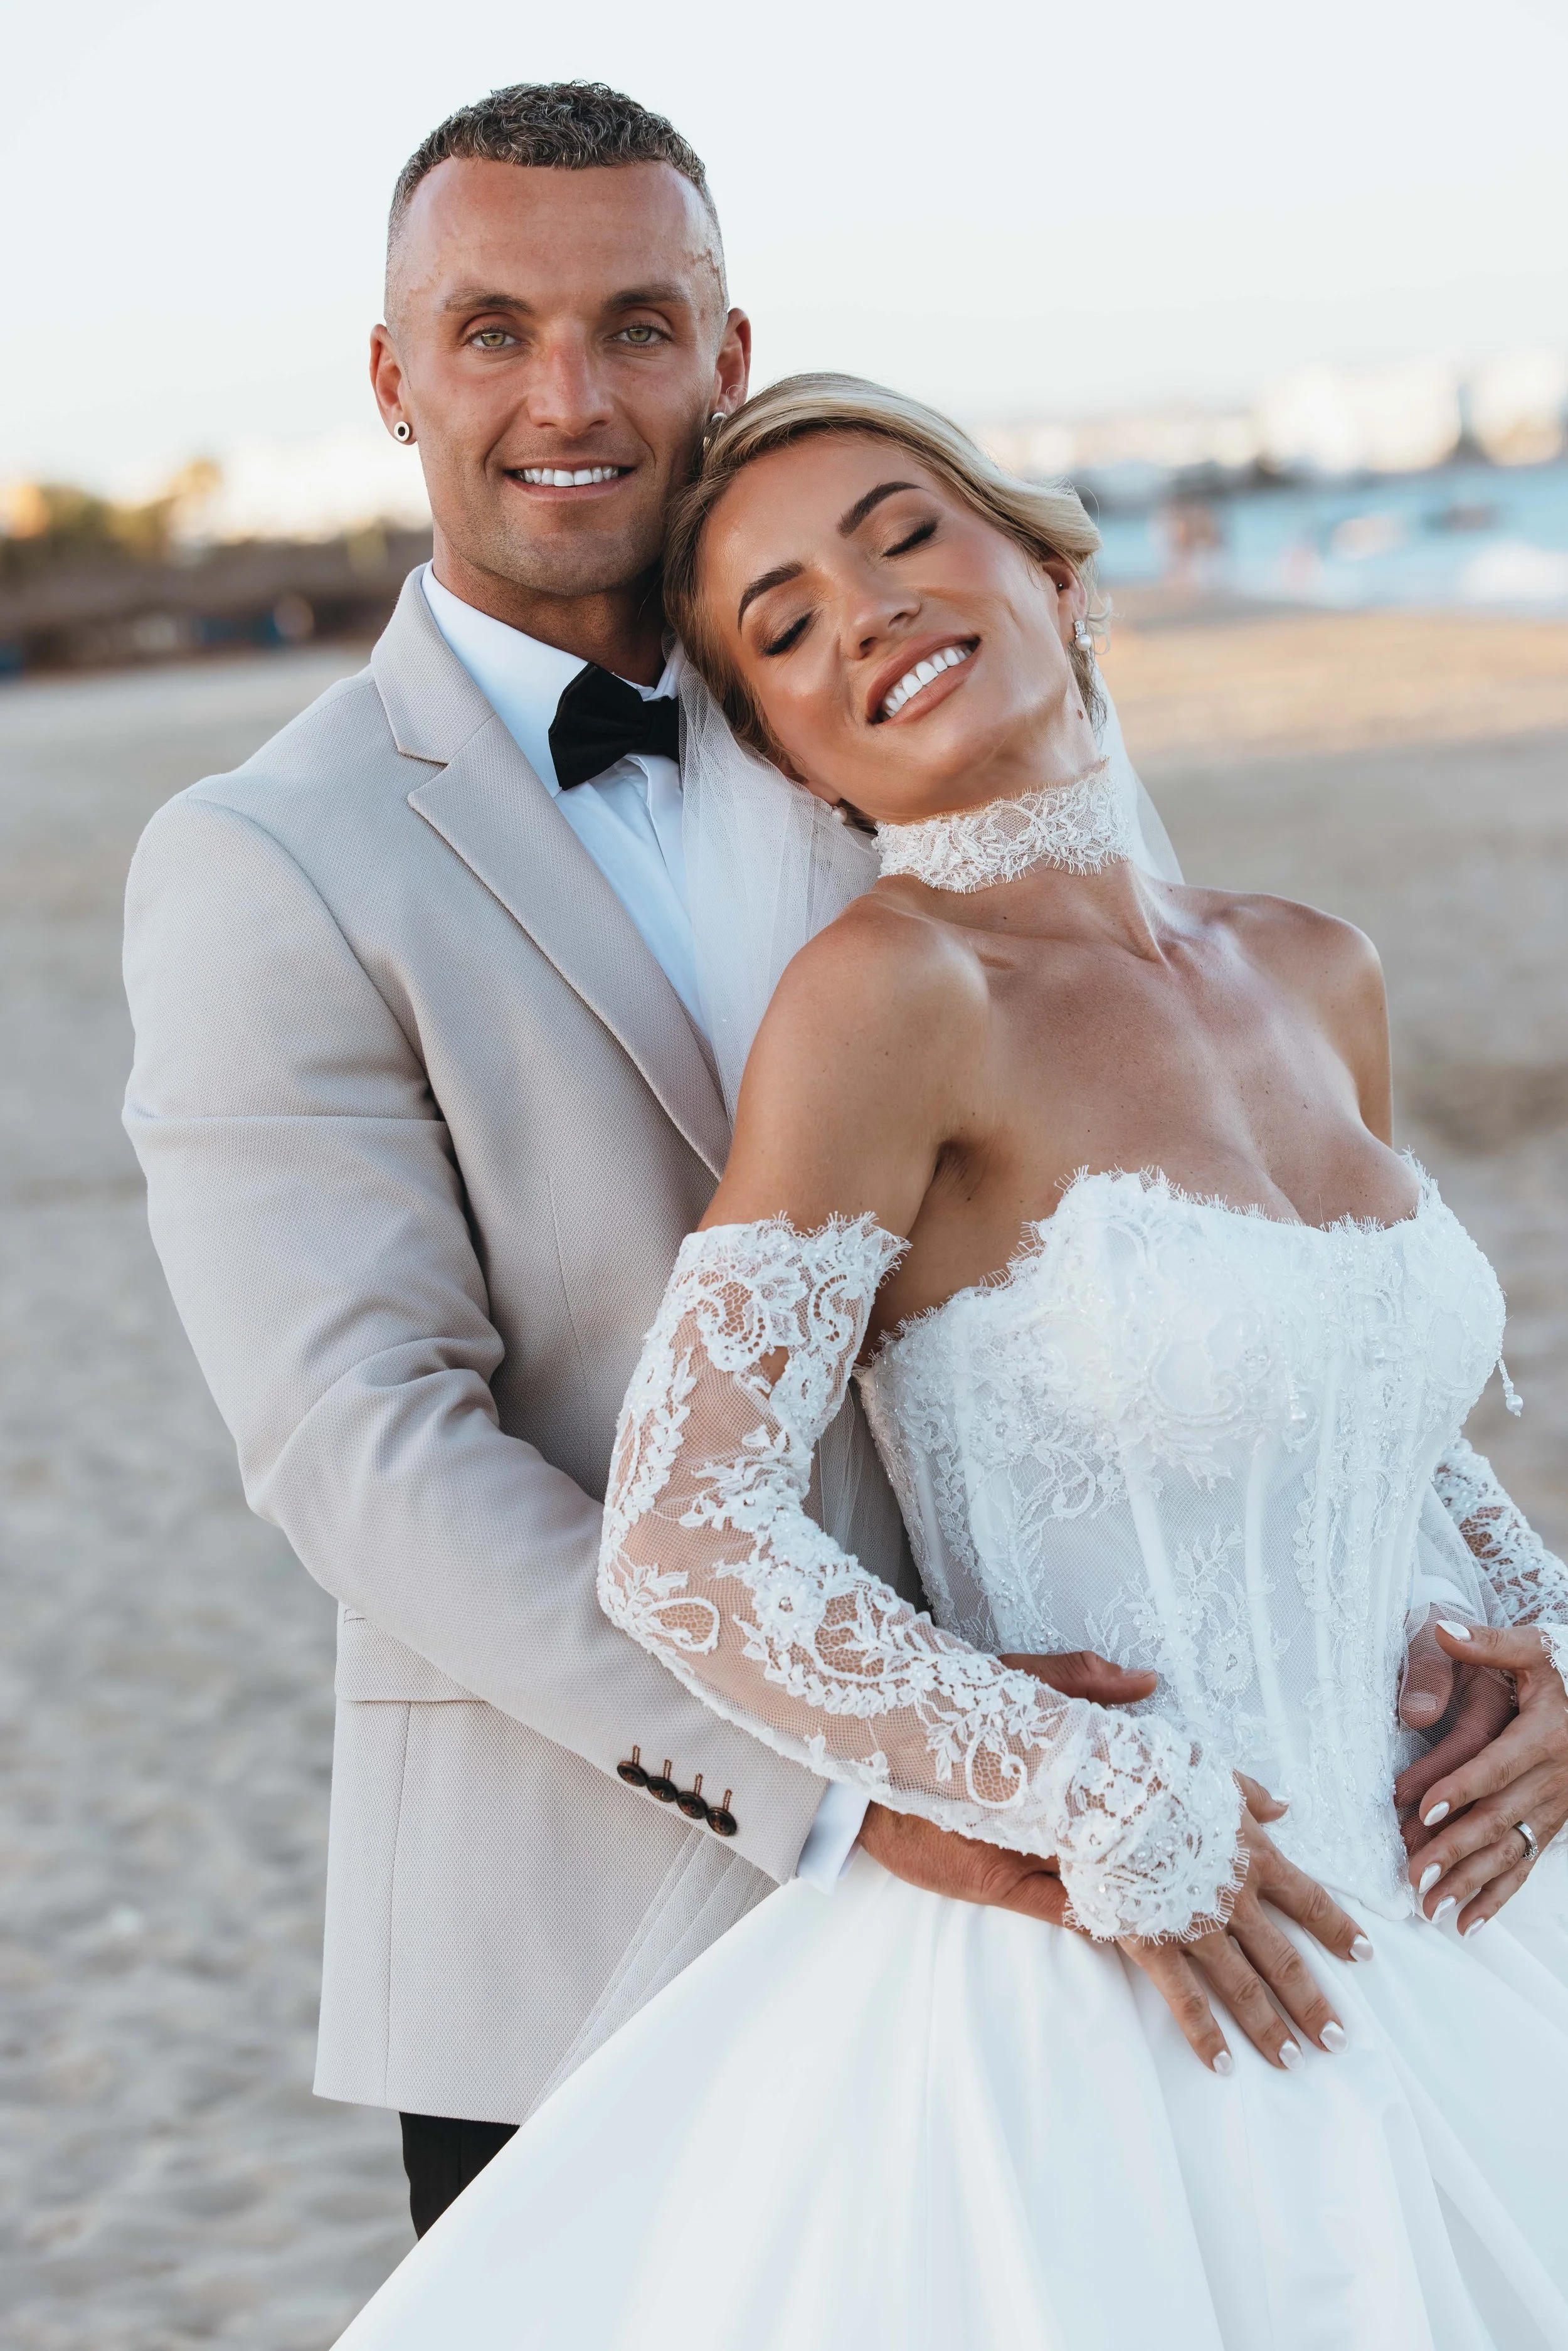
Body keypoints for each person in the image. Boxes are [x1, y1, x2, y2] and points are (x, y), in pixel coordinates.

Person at [121, 83, 1256, 2241]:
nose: (573, 395)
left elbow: (1200, 1202)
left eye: (639, 325)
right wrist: (856, 1774)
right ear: (390, 379)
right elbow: (355, 1435)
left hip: (1101, 1861)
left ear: (726, 358)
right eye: (491, 333)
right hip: (596, 1915)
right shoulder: (268, 859)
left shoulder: (899, 699)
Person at [331, 378, 1568, 2351]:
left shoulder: (1318, 963)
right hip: (1134, 1970)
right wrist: (1083, 1784)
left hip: (1461, 1927)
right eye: (784, 628)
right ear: (788, 750)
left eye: (902, 537)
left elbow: (1372, 1415)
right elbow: (688, 1537)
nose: (866, 615)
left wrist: (1543, 1636)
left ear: (1054, 570)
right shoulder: (894, 1000)